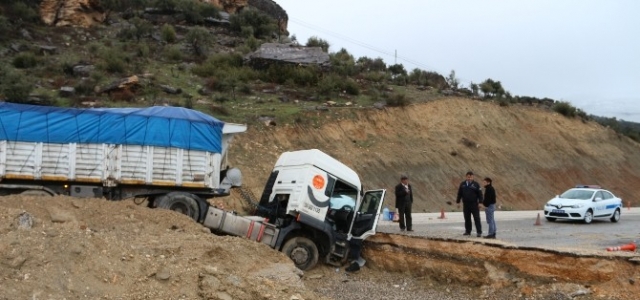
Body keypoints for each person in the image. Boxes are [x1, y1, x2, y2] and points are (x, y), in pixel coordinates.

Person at [456, 171, 483, 237]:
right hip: (466, 204)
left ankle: (479, 232)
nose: (469, 178)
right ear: (466, 177)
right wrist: (458, 202)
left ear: (473, 177)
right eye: (468, 177)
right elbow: (459, 193)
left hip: (474, 204)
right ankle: (468, 231)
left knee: (476, 218)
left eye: (471, 177)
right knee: (467, 218)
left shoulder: (476, 184)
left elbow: (480, 194)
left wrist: (480, 202)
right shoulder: (463, 184)